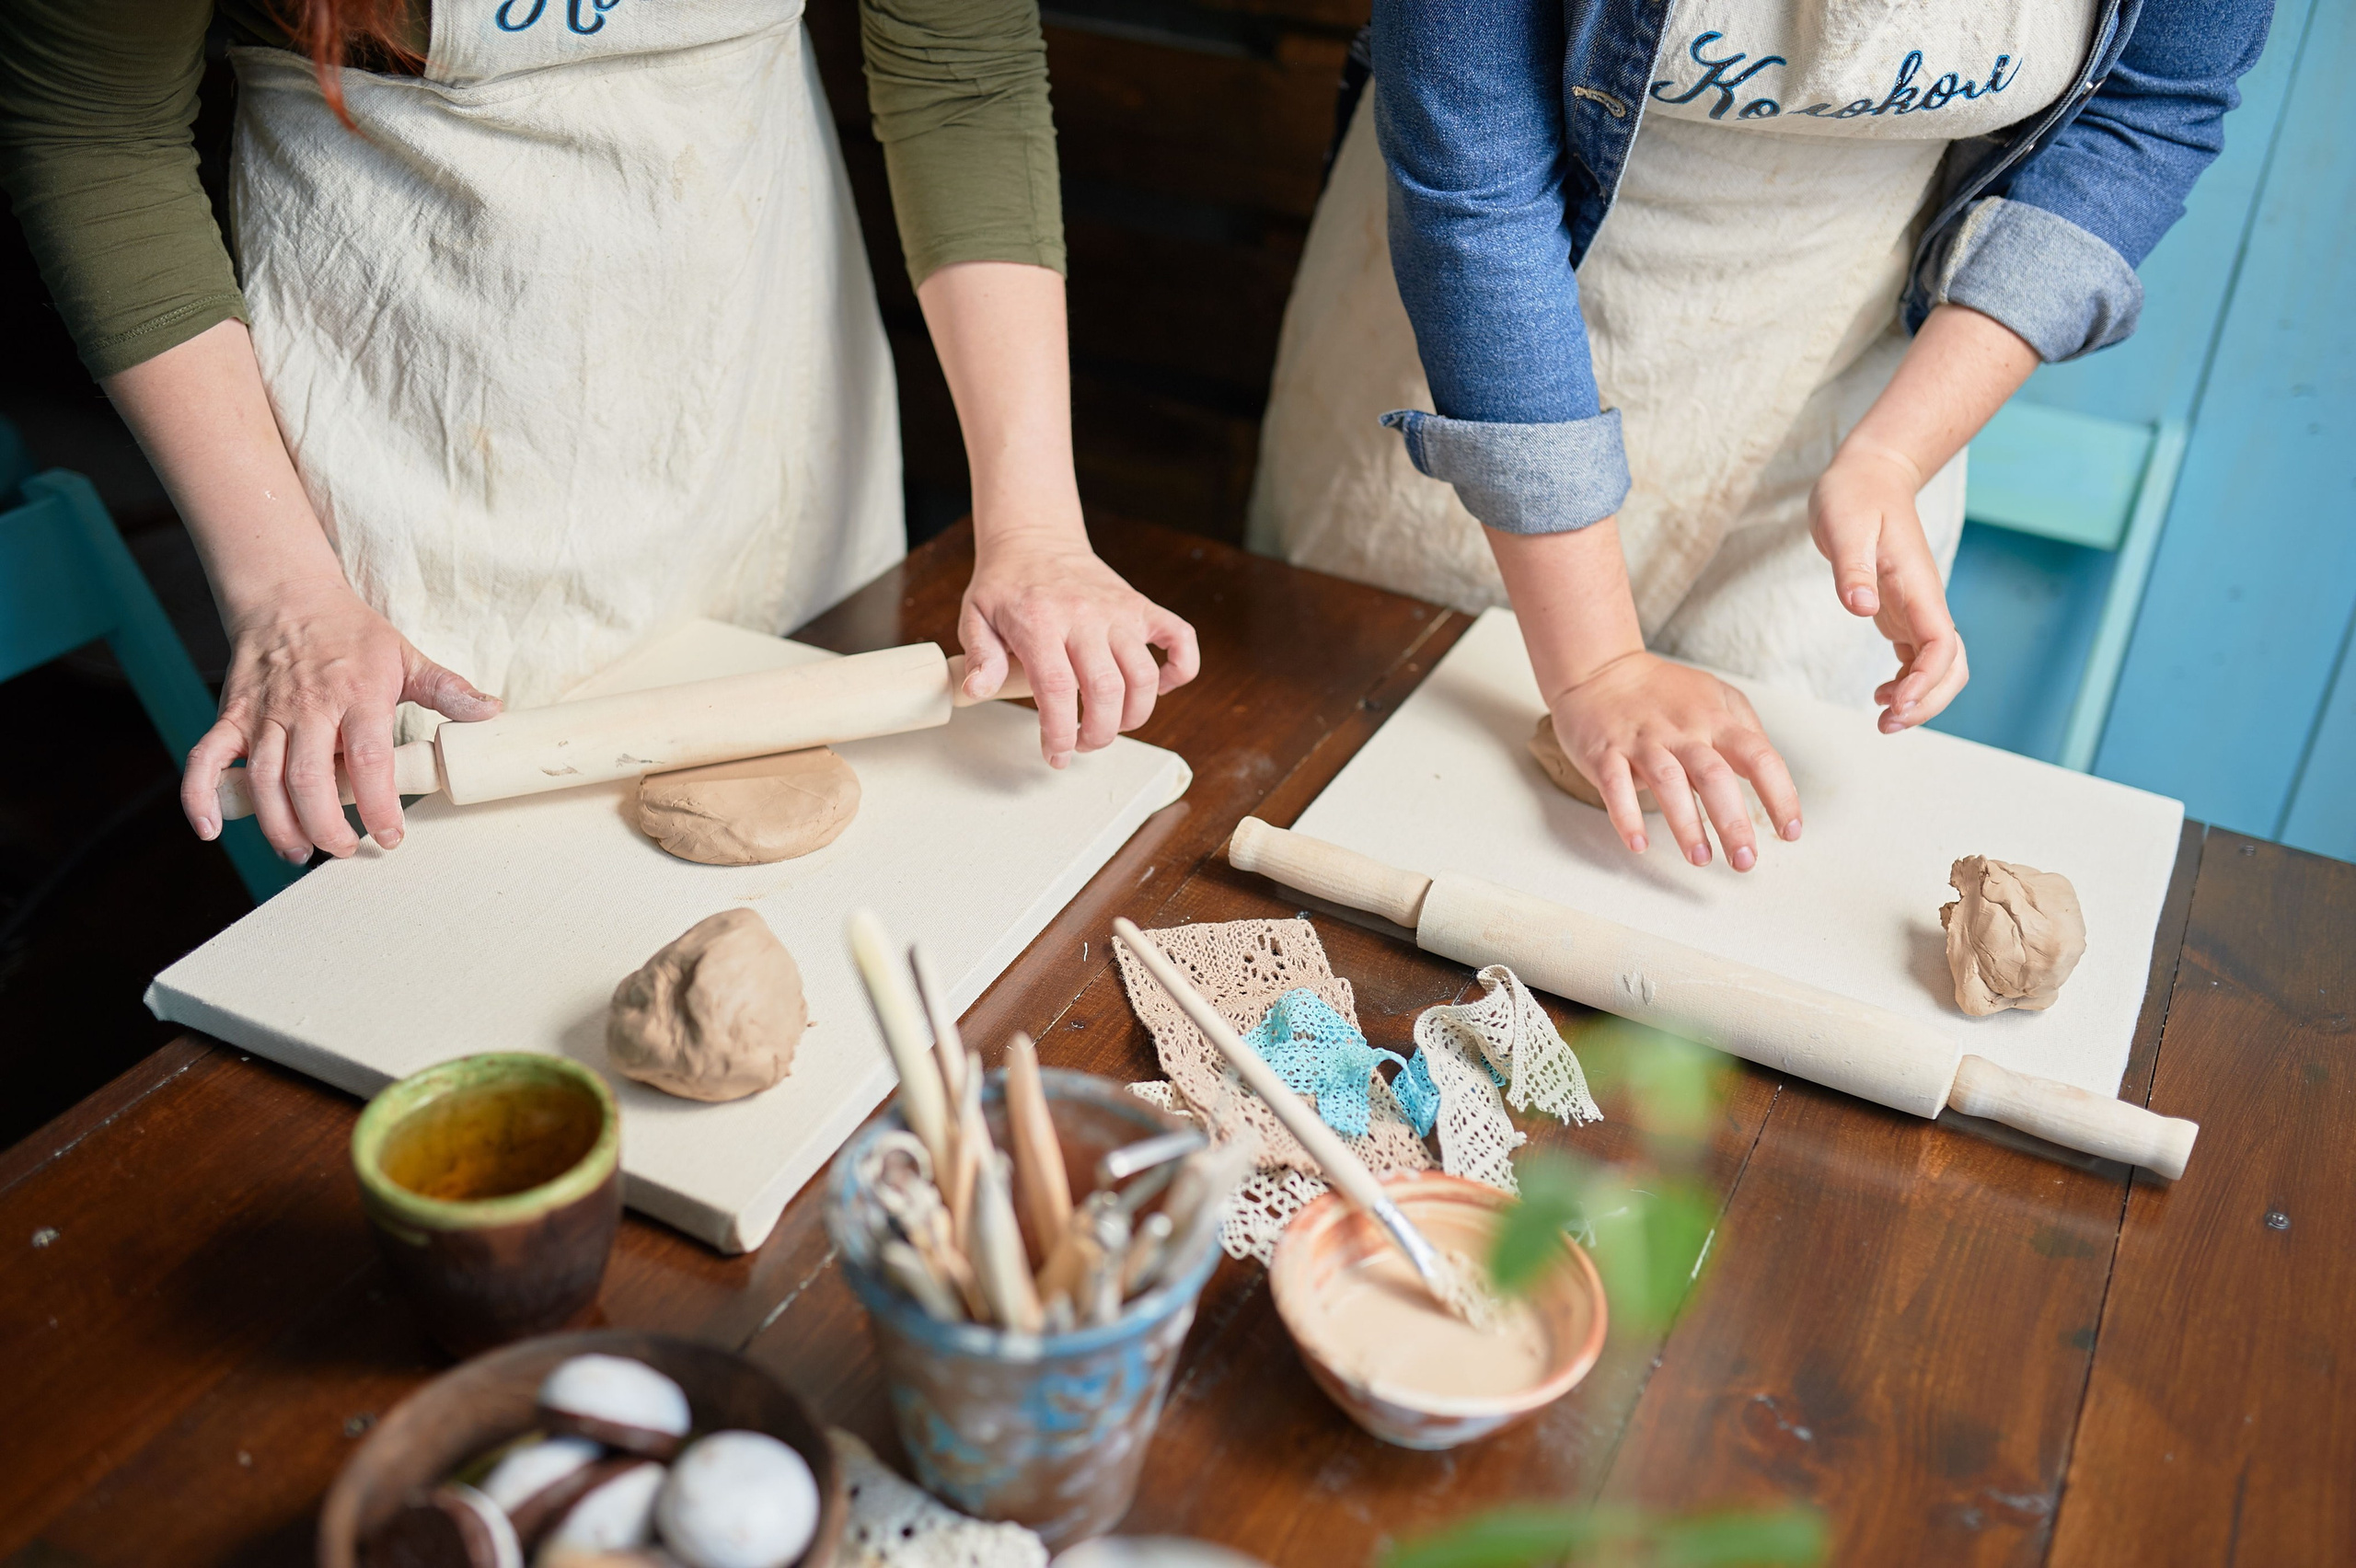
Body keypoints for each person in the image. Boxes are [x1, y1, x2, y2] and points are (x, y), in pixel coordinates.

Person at [0, 0, 1198, 864]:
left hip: (752, 358)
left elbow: (962, 72)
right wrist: (285, 591)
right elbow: (93, 126)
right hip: (413, 383)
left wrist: (1037, 524)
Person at [1250, 0, 2269, 872]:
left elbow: (2150, 109)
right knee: (1391, 804)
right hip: (1481, 331)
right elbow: (1472, 180)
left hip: (1844, 383)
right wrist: (1596, 665)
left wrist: (1893, 456)